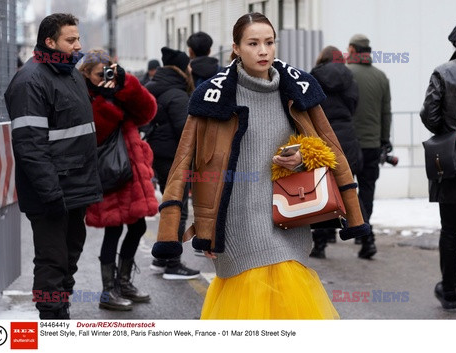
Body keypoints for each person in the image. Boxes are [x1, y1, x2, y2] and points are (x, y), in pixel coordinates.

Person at [151, 12, 370, 319]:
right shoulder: (212, 97)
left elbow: (330, 148)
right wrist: (197, 230)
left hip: (287, 216)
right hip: (235, 222)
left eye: (269, 42)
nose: (263, 50)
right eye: (253, 43)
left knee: (290, 304)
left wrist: (304, 156)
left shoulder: (298, 88)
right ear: (236, 48)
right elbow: (183, 165)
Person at [4, 13, 103, 319]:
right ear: (50, 42)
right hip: (51, 193)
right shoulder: (30, 81)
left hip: (76, 188)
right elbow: (30, 146)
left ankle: (61, 309)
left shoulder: (69, 73)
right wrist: (51, 195)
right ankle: (52, 321)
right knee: (52, 261)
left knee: (69, 257)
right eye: (70, 40)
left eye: (78, 39)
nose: (78, 46)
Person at [79, 50, 158, 310]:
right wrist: (106, 102)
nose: (105, 78)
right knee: (114, 227)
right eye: (99, 75)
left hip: (130, 171)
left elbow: (147, 112)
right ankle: (107, 291)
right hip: (109, 171)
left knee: (137, 228)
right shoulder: (84, 96)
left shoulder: (119, 89)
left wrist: (127, 86)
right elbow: (96, 133)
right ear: (86, 75)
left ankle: (123, 282)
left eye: (109, 72)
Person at [144, 47, 200, 280]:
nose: (190, 70)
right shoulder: (177, 95)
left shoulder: (151, 88)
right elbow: (184, 132)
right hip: (175, 158)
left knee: (169, 206)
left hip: (156, 154)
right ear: (181, 68)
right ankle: (173, 263)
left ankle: (161, 259)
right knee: (178, 209)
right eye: (188, 66)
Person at [420, 22, 456, 310]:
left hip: (453, 160)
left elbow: (429, 114)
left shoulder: (444, 72)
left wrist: (448, 130)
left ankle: (448, 292)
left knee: (450, 230)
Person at [309, 45, 363, 258]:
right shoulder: (349, 76)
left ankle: (320, 243)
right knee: (348, 185)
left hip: (322, 134)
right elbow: (354, 103)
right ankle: (363, 233)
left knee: (322, 188)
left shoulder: (313, 76)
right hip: (347, 134)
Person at [346, 34, 392, 259]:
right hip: (372, 144)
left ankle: (323, 241)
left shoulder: (347, 74)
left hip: (349, 144)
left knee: (342, 189)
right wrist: (385, 140)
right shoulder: (381, 77)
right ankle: (366, 237)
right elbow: (386, 113)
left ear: (353, 49)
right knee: (367, 191)